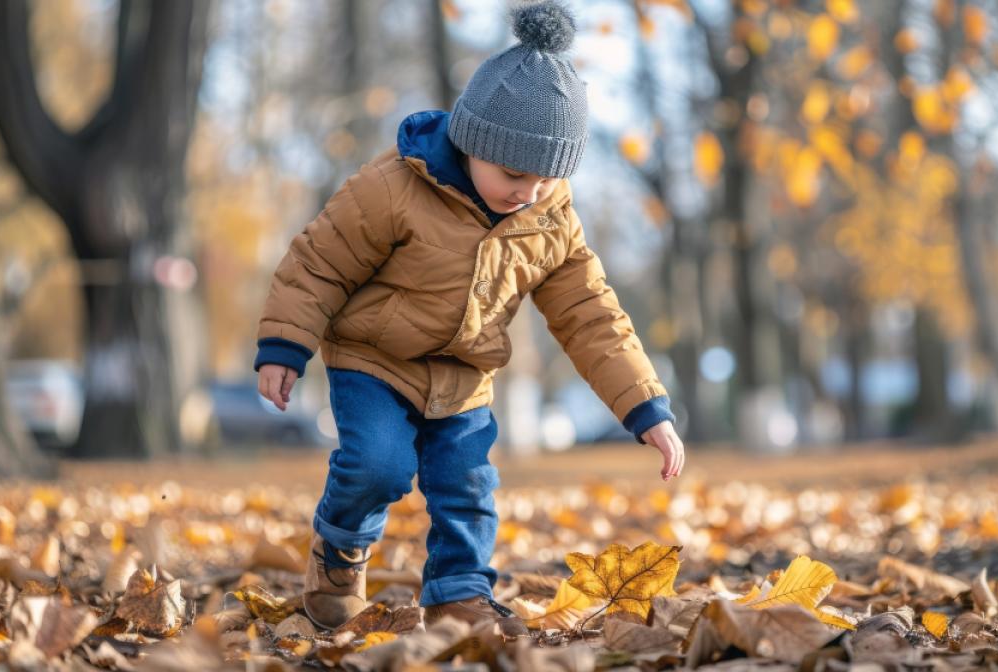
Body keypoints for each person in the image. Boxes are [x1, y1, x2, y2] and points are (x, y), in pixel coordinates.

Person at [253, 0, 685, 634]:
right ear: (473, 141)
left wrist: (645, 408)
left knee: (468, 489)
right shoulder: (394, 188)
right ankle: (340, 549)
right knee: (379, 465)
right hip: (375, 361)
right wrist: (284, 346)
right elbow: (319, 263)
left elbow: (592, 314)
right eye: (515, 174)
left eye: (546, 179)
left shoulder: (549, 219)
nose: (528, 193)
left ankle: (458, 593)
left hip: (464, 378)